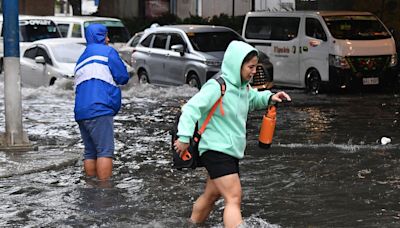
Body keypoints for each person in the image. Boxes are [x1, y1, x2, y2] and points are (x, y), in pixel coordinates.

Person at [174, 40, 291, 228]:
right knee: (234, 197)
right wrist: (184, 137)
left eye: (255, 67)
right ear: (237, 65)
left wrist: (270, 97)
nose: (254, 72)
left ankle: (191, 224)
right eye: (250, 67)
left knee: (211, 195)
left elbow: (252, 100)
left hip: (229, 150)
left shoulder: (242, 87)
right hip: (215, 149)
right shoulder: (216, 86)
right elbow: (191, 109)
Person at [74, 24, 129, 181]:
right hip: (100, 108)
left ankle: (91, 185)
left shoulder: (81, 58)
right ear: (100, 36)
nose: (108, 39)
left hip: (81, 112)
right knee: (105, 151)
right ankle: (105, 190)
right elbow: (123, 77)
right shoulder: (108, 52)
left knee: (90, 152)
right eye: (105, 36)